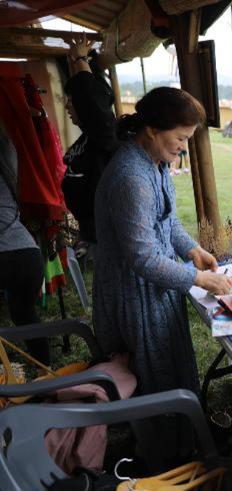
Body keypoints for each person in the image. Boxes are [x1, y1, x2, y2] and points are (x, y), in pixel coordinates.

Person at [93, 87, 232, 457]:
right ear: (153, 129)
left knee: (171, 368)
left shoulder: (154, 162)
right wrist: (198, 278)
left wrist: (193, 250)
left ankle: (182, 443)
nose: (184, 148)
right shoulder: (130, 176)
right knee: (153, 379)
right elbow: (143, 258)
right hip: (133, 294)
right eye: (181, 138)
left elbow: (167, 222)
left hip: (155, 288)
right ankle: (161, 460)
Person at [61, 34, 119, 248]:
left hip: (105, 234)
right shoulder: (89, 136)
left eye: (72, 101)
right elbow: (89, 94)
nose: (67, 107)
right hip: (92, 232)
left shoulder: (104, 134)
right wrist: (76, 63)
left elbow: (93, 99)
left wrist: (80, 61)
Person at [0, 121, 49, 364]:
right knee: (24, 313)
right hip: (28, 254)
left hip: (7, 256)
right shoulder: (7, 151)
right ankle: (44, 370)